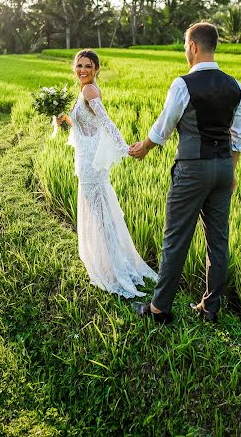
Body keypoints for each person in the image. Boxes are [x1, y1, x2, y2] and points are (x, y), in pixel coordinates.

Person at [129, 22, 241, 323]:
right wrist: (230, 171)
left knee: (176, 238)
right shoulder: (235, 85)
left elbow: (163, 128)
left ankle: (159, 308)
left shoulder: (183, 84)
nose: (185, 51)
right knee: (218, 240)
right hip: (223, 168)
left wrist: (143, 147)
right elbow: (239, 135)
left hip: (193, 169)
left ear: (193, 47)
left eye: (185, 46)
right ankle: (210, 309)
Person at [57, 49, 157, 298]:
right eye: (79, 65)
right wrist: (65, 120)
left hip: (91, 164)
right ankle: (111, 262)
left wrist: (126, 148)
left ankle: (113, 269)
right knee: (100, 214)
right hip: (86, 159)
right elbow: (85, 125)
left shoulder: (89, 90)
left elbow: (105, 121)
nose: (83, 70)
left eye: (88, 66)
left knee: (100, 216)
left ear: (96, 69)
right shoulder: (84, 90)